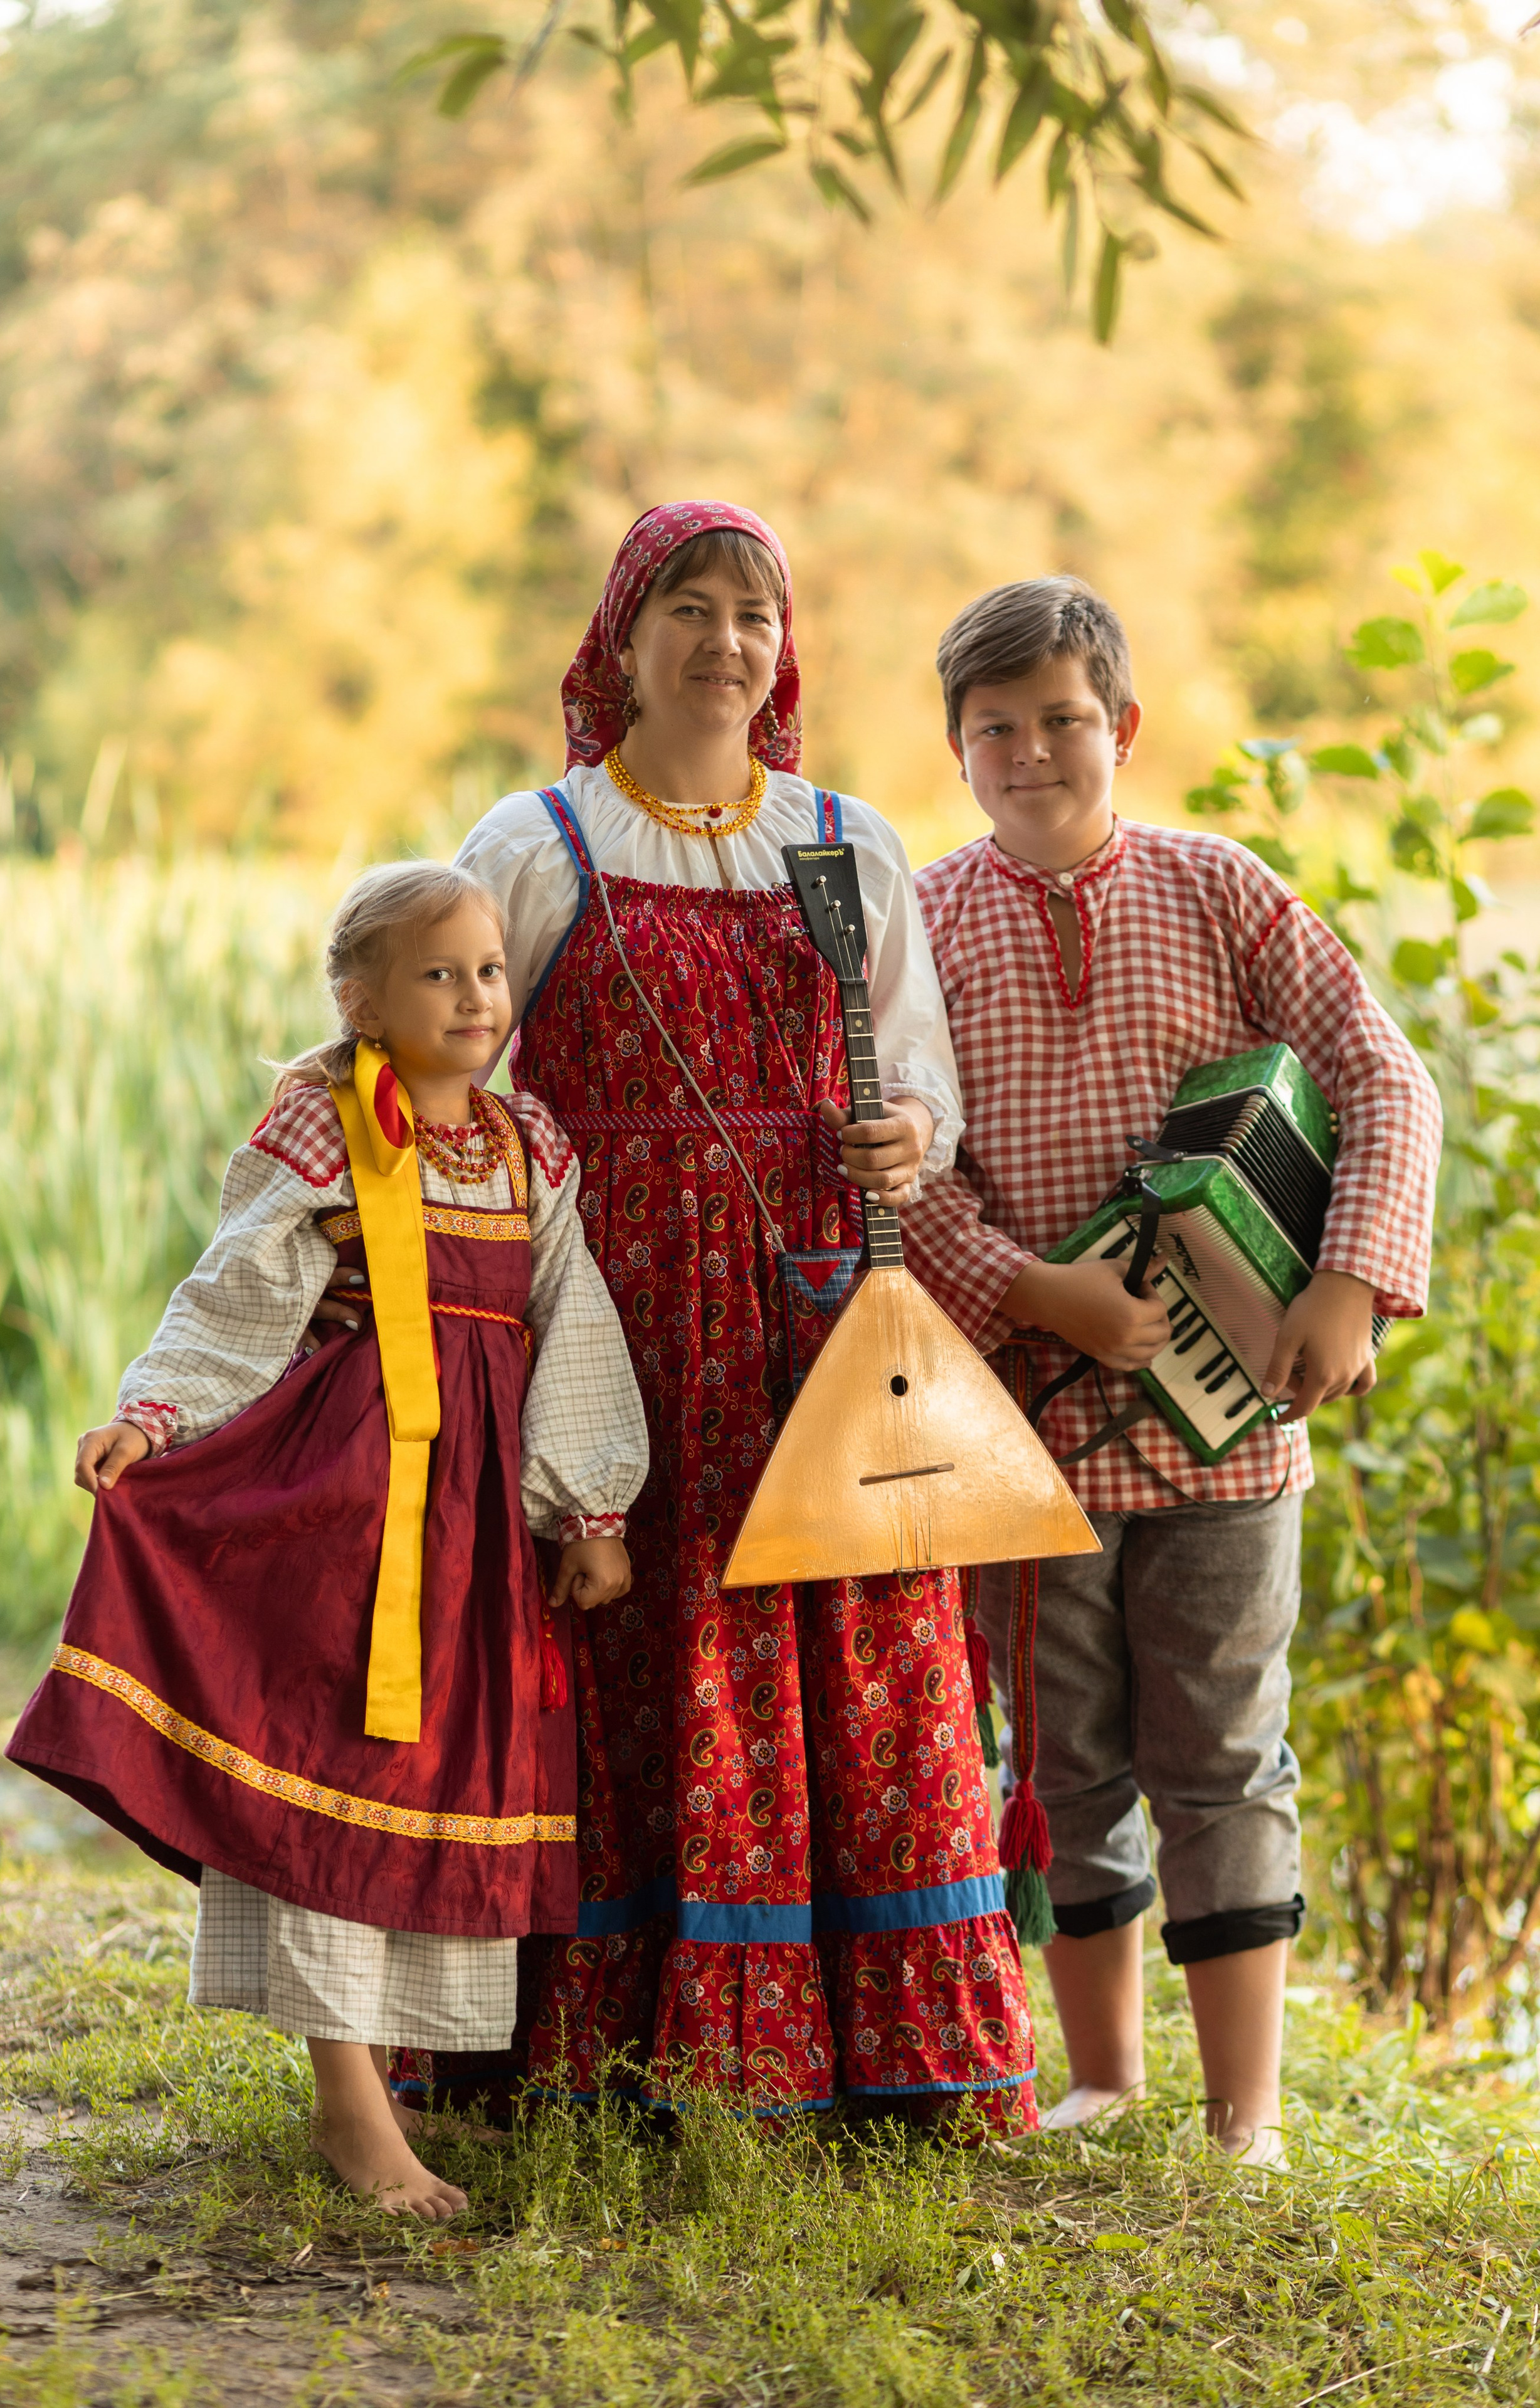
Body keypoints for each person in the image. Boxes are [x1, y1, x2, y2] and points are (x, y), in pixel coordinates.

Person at [443, 499, 1040, 2131]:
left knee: (855, 1649)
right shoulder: (537, 843)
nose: (725, 642)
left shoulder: (845, 840)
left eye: (755, 615)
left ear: (785, 651)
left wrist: (904, 1135)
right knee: (629, 1653)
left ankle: (882, 2057)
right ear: (622, 642)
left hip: (815, 1318)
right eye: (690, 609)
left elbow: (917, 1071)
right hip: (613, 1323)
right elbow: (449, 1066)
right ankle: (602, 2049)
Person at [8, 861, 648, 2215]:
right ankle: (348, 2105)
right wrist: (155, 1418)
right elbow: (239, 1290)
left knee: (434, 1767)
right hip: (345, 1494)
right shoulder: (333, 1122)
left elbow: (571, 1312)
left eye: (488, 970)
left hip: (476, 1522)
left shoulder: (528, 1142)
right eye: (438, 974)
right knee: (328, 1752)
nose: (474, 997)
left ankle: (392, 2079)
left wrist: (589, 1503)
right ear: (360, 1002)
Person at [899, 576, 1442, 2163]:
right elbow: (894, 1167)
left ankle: (1241, 2114)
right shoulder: (918, 925)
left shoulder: (1220, 890)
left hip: (1232, 1440)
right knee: (1063, 1759)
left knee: (1218, 1755)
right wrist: (1032, 1291)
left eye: (1060, 719)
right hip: (1029, 1433)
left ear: (1121, 726)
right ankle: (1101, 2078)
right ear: (954, 749)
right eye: (994, 728)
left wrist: (1346, 1283)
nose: (1030, 752)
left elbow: (1380, 1076)